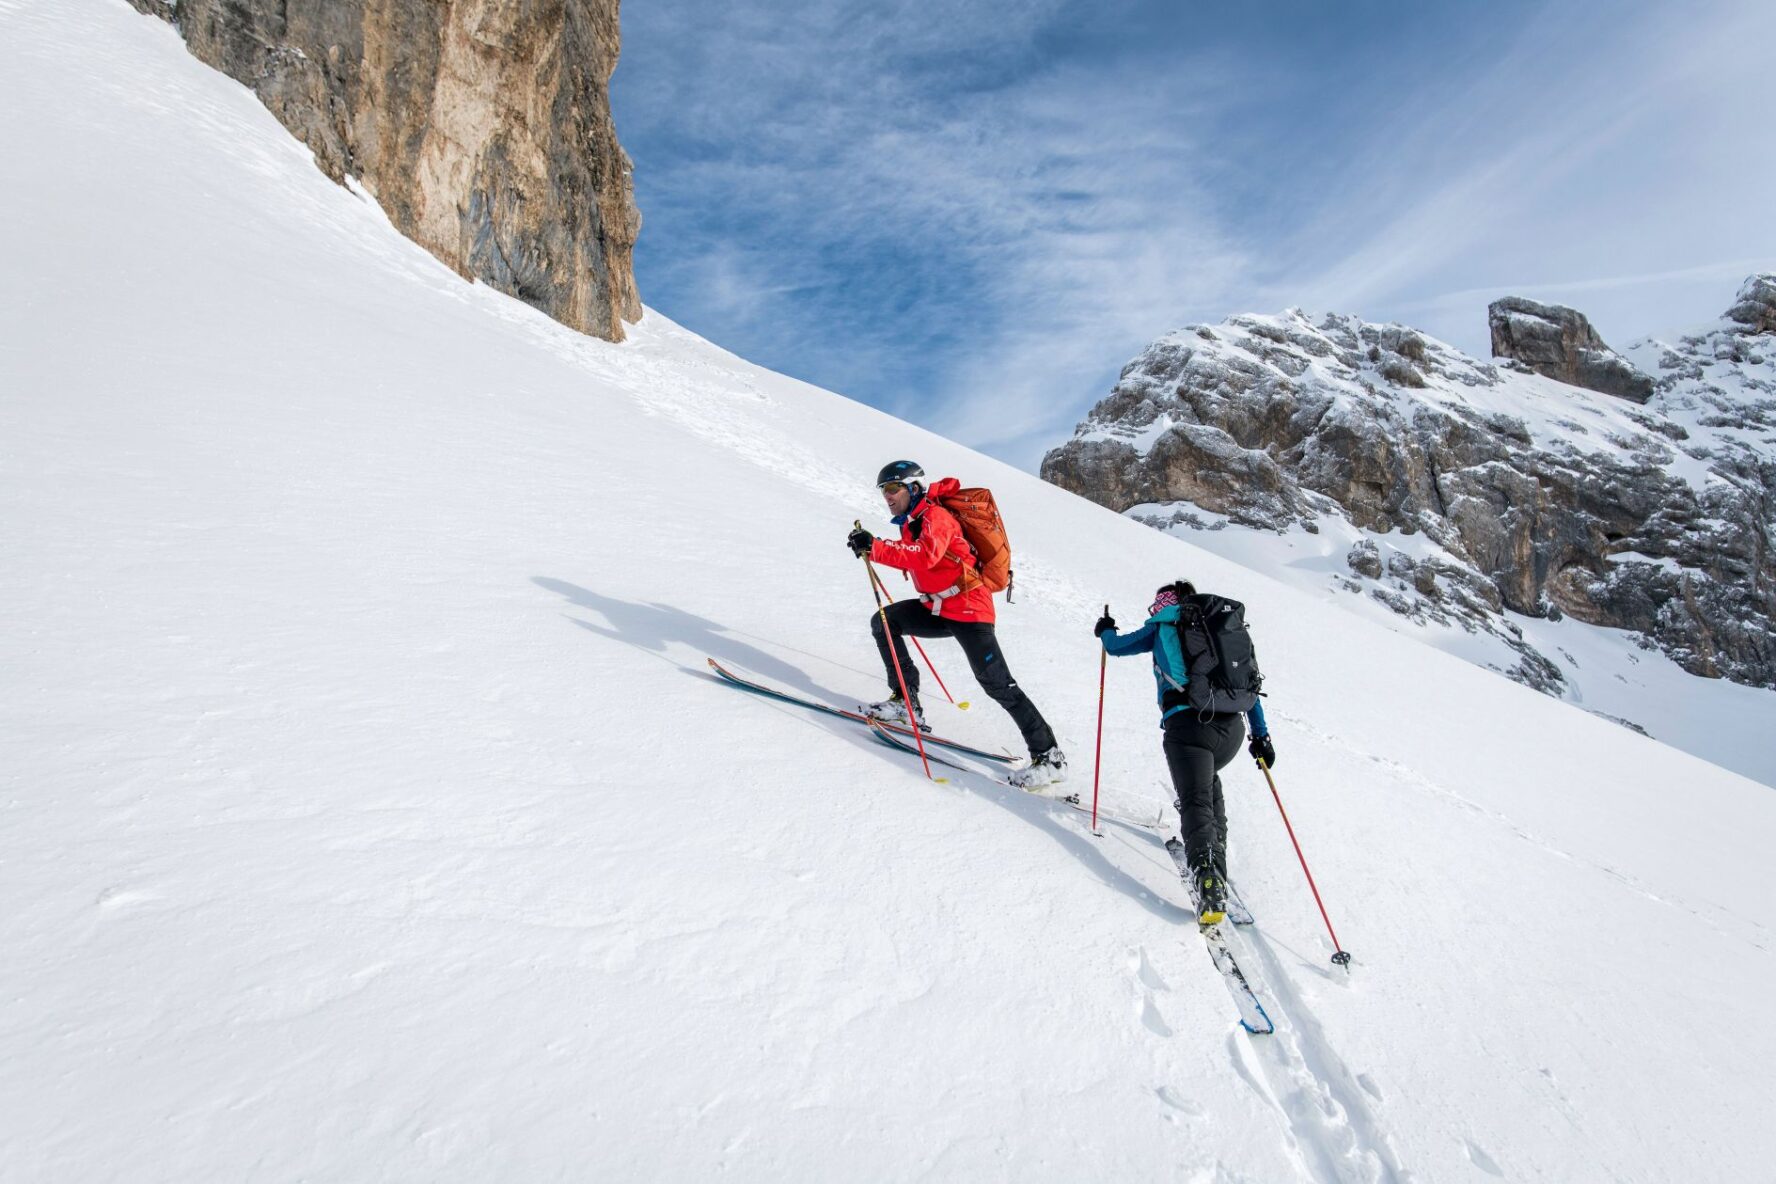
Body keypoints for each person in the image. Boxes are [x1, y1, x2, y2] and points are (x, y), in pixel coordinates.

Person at [846, 460, 1066, 789]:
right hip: (938, 606)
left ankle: (1049, 757)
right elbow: (916, 555)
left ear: (913, 488)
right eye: (883, 490)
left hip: (969, 609)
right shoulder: (911, 523)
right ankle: (907, 704)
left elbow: (924, 556)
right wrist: (873, 547)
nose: (887, 496)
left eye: (892, 488)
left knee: (997, 685)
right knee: (885, 622)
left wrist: (875, 547)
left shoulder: (937, 516)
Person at [1096, 582, 1275, 924]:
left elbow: (1117, 647)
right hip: (1233, 732)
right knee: (1208, 790)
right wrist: (1261, 737)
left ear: (1167, 603)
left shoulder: (1163, 625)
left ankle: (1208, 880)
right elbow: (1248, 685)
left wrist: (1105, 631)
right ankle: (1215, 862)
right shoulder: (1219, 632)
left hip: (1188, 729)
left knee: (1196, 801)